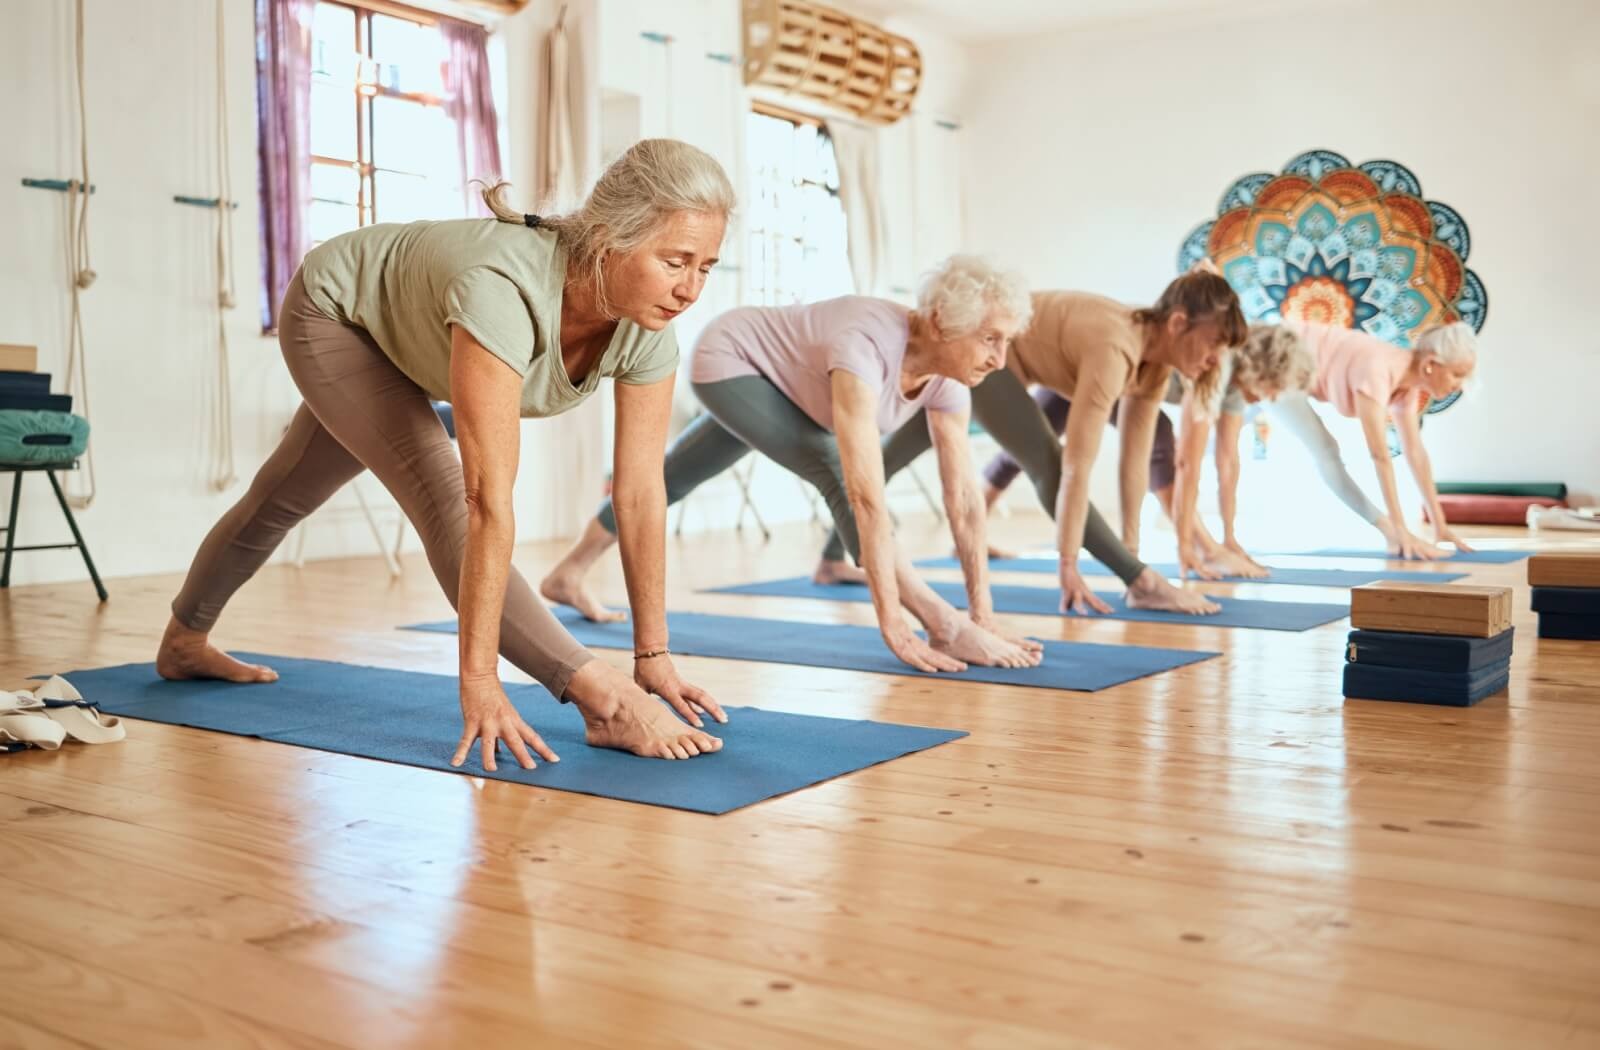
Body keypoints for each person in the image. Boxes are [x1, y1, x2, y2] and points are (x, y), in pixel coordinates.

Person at [157, 139, 737, 771]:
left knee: (281, 495)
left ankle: (184, 641)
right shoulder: (504, 288)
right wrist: (480, 680)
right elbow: (486, 504)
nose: (690, 289)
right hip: (339, 315)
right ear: (606, 239)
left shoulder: (645, 327)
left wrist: (652, 654)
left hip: (413, 334)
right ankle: (604, 700)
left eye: (706, 267)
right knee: (444, 500)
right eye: (676, 261)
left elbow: (639, 492)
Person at [542, 256, 1045, 673]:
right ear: (939, 322)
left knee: (673, 476)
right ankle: (943, 623)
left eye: (1006, 341)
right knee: (832, 470)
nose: (999, 359)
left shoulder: (951, 379)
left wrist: (985, 612)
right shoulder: (867, 343)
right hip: (733, 360)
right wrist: (908, 621)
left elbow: (963, 500)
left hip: (781, 384)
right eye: (988, 339)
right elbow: (862, 491)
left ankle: (568, 574)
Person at [814, 272, 1248, 615]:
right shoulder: (1114, 348)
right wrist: (1071, 566)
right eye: (1213, 345)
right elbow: (1073, 466)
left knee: (889, 455)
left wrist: (1132, 555)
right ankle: (1141, 581)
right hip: (987, 359)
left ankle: (833, 559)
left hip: (1012, 368)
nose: (1215, 361)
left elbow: (1132, 468)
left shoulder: (1152, 368)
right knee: (1048, 461)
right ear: (1177, 323)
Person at [1251, 320, 1480, 559]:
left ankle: (1392, 530)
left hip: (1288, 361)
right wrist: (1400, 529)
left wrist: (1439, 526)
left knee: (1322, 448)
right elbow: (1380, 456)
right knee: (1326, 451)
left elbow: (1415, 453)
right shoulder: (1378, 369)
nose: (1459, 387)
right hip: (1273, 357)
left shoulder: (1407, 384)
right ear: (1431, 365)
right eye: (1457, 375)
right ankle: (1388, 530)